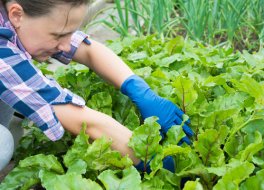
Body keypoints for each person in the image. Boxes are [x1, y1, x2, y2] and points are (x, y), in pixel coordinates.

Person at [0, 0, 193, 172]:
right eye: (58, 35)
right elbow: (85, 122)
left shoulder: (24, 17)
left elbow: (87, 49)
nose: (67, 46)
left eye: (70, 33)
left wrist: (140, 90)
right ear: (17, 14)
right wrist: (153, 159)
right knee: (3, 144)